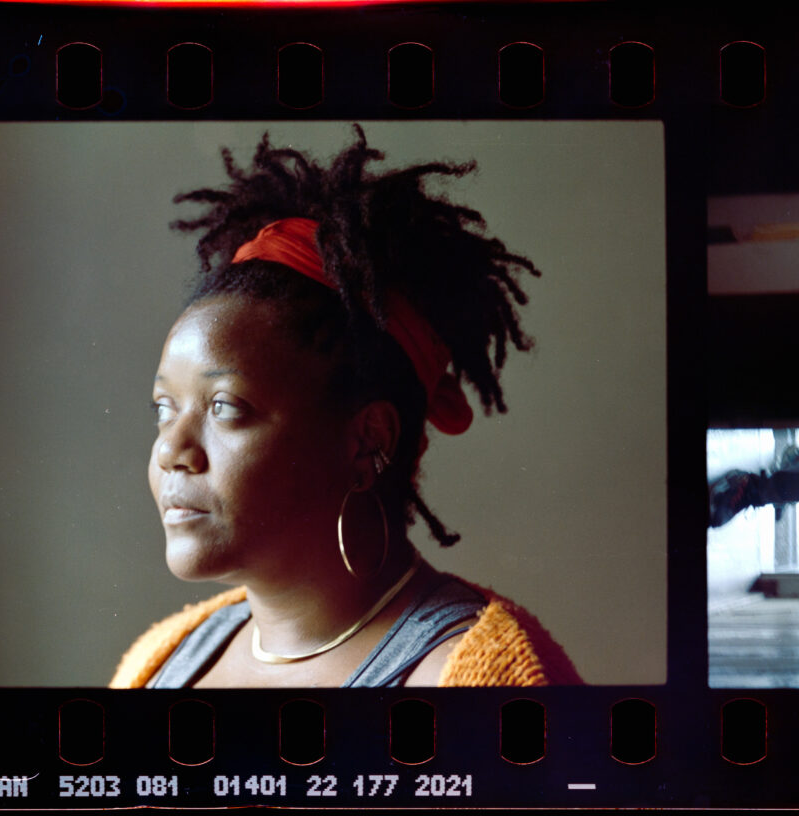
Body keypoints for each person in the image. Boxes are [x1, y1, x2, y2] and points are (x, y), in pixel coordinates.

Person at [110, 126, 582, 688]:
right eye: (164, 408)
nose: (171, 450)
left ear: (367, 441)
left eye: (224, 407)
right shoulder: (159, 660)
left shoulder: (480, 679)